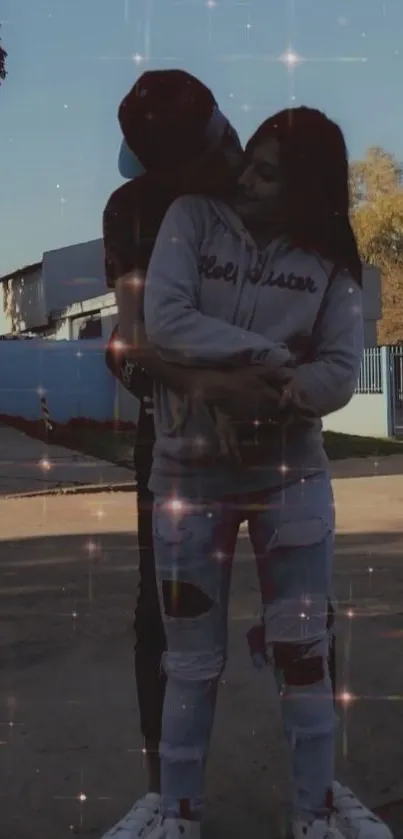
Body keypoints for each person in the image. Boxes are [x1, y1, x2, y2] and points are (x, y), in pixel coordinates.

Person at [141, 106, 373, 839]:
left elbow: (338, 372)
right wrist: (268, 364)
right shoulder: (192, 219)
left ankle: (312, 814)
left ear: (306, 189)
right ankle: (177, 815)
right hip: (187, 476)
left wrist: (278, 402)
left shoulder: (333, 262)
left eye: (268, 173)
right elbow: (165, 320)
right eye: (253, 160)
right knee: (190, 661)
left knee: (303, 654)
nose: (245, 175)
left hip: (289, 477)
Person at [102, 68, 280, 839]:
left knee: (299, 608)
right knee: (163, 616)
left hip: (276, 434)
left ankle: (318, 786)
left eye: (219, 139)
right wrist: (155, 363)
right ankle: (165, 797)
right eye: (197, 156)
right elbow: (135, 337)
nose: (223, 155)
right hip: (174, 439)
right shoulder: (135, 209)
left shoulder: (267, 193)